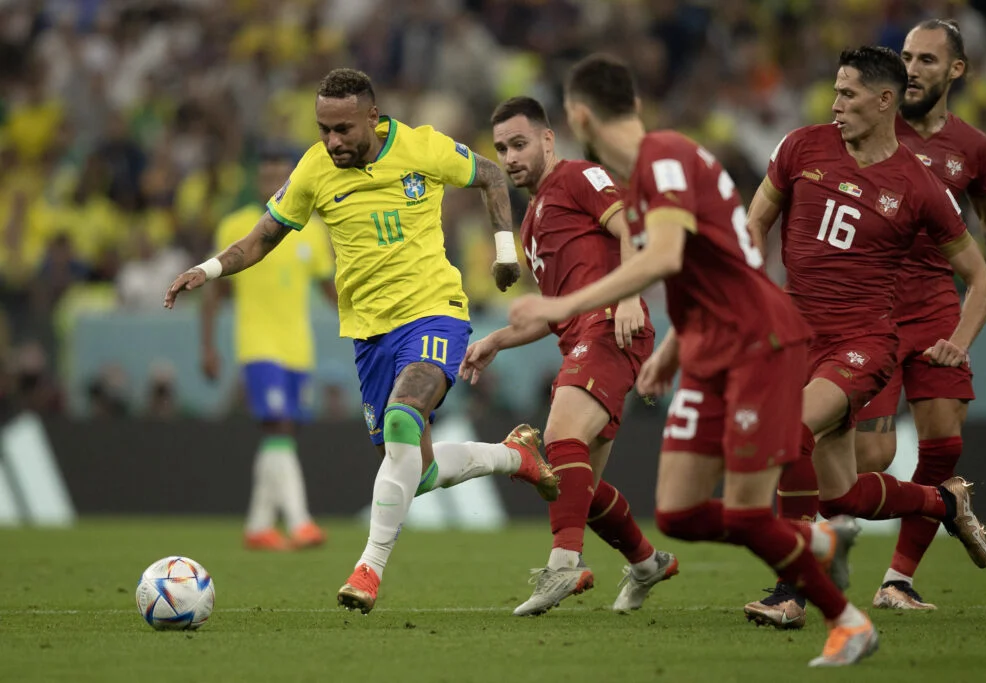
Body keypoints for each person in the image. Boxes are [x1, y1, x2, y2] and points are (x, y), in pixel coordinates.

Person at [510, 53, 877, 667]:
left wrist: (562, 305)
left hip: (759, 340)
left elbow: (667, 256)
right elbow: (703, 269)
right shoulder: (642, 183)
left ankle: (847, 622)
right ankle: (816, 537)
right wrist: (673, 350)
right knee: (678, 512)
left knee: (745, 510)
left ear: (577, 115)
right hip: (708, 344)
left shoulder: (667, 157)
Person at [165, 68, 559, 614]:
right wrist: (206, 271)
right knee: (412, 469)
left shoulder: (422, 147)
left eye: (343, 129)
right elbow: (262, 238)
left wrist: (505, 250)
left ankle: (368, 569)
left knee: (403, 416)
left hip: (433, 312)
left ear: (373, 117)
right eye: (323, 129)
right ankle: (514, 456)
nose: (332, 142)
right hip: (370, 335)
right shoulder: (314, 169)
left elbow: (492, 175)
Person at [743, 46, 986, 630]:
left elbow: (979, 278)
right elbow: (755, 222)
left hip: (860, 345)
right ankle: (944, 501)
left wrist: (959, 340)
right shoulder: (801, 146)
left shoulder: (919, 184)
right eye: (834, 92)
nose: (835, 105)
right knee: (841, 496)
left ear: (885, 101)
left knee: (789, 433)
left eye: (848, 94)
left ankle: (792, 591)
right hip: (795, 339)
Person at [462, 96, 677, 616]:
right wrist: (495, 339)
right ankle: (648, 563)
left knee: (559, 440)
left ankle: (563, 566)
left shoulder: (580, 176)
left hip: (609, 326)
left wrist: (628, 295)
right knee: (578, 485)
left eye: (519, 144)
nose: (510, 157)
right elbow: (553, 314)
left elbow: (633, 227)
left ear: (548, 140)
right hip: (580, 331)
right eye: (502, 149)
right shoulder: (533, 219)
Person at [849, 19, 986, 612]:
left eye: (927, 60)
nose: (913, 69)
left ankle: (898, 578)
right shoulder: (871, 128)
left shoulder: (972, 148)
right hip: (870, 306)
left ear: (955, 71)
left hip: (935, 304)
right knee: (865, 461)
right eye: (906, 57)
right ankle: (941, 505)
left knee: (944, 444)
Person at [201, 147, 335, 551]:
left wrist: (365, 325)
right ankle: (300, 522)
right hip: (258, 344)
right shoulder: (237, 228)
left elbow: (330, 289)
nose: (273, 182)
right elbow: (215, 295)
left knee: (283, 432)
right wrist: (207, 346)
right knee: (276, 425)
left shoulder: (311, 230)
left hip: (299, 348)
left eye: (281, 176)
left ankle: (259, 525)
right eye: (266, 175)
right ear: (256, 180)